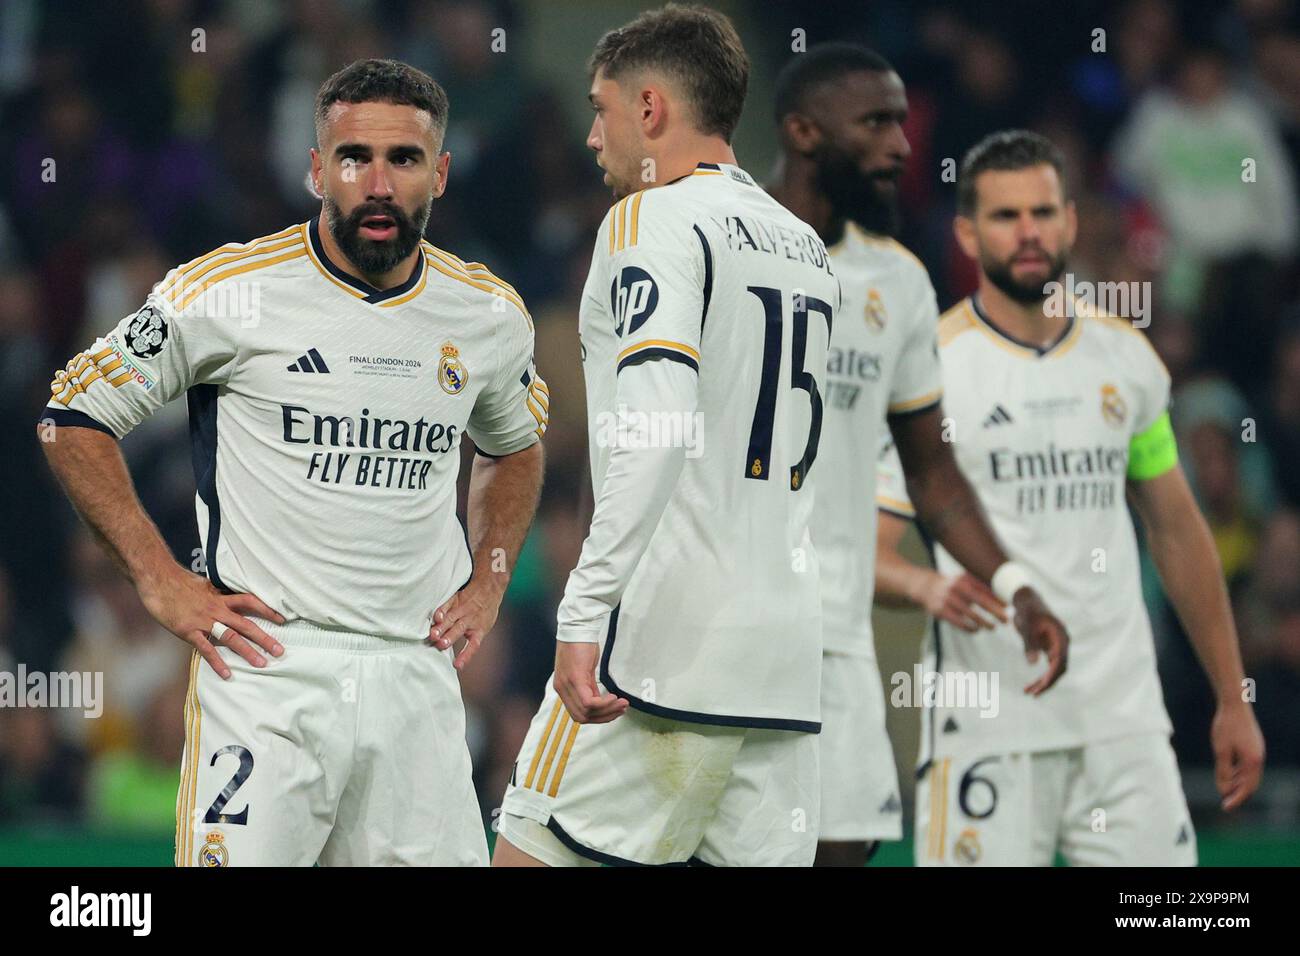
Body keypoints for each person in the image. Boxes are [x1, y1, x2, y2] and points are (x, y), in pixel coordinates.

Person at [39, 58, 548, 866]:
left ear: (441, 173)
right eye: (354, 158)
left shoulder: (485, 313)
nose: (377, 183)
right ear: (317, 169)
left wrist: (489, 576)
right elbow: (71, 418)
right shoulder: (228, 291)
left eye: (404, 159)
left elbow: (515, 446)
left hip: (415, 676)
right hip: (270, 672)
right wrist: (159, 578)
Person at [493, 3, 842, 867]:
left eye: (600, 108)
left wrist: (585, 603)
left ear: (651, 110)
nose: (590, 137)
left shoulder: (651, 221)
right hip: (784, 656)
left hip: (659, 647)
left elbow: (659, 422)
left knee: (528, 851)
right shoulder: (806, 249)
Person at [875, 129, 1265, 866]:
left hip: (1123, 727)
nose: (1029, 232)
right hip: (988, 730)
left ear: (1071, 222)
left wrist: (1231, 697)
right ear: (965, 231)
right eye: (1004, 215)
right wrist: (927, 585)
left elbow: (1177, 530)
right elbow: (869, 548)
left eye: (1044, 212)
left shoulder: (1126, 359)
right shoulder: (928, 370)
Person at [766, 44, 1065, 867]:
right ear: (802, 129)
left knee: (847, 843)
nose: (901, 145)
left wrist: (1015, 586)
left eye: (901, 121)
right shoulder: (724, 241)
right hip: (729, 614)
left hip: (838, 627)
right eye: (876, 123)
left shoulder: (896, 282)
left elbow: (934, 475)